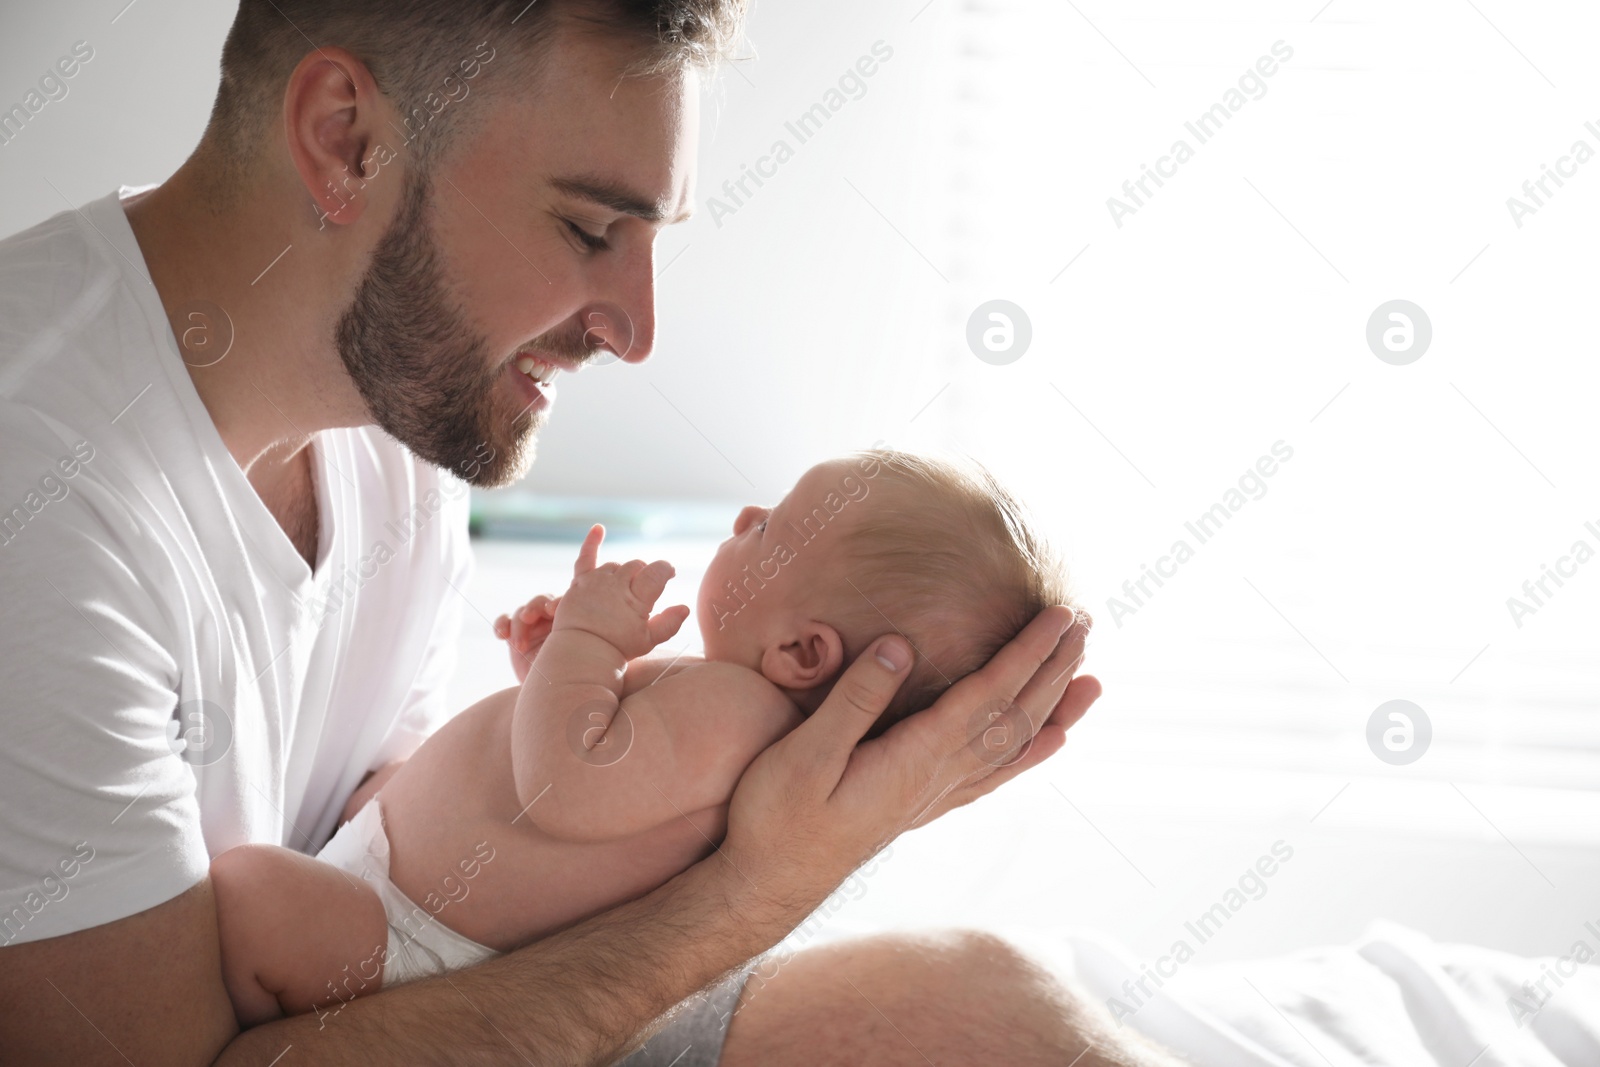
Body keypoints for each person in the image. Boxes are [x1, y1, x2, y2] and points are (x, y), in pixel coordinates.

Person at [0, 2, 1180, 1064]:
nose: (636, 328)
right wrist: (761, 883)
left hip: (358, 985)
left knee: (992, 1011)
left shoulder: (397, 415)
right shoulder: (36, 490)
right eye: (586, 228)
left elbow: (394, 820)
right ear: (347, 139)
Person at [209, 451, 1084, 1023]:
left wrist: (590, 645)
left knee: (246, 893)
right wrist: (553, 670)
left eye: (771, 526)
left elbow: (568, 783)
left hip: (408, 939)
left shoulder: (733, 710)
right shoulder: (729, 715)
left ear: (804, 651)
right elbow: (584, 786)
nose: (746, 516)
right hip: (407, 896)